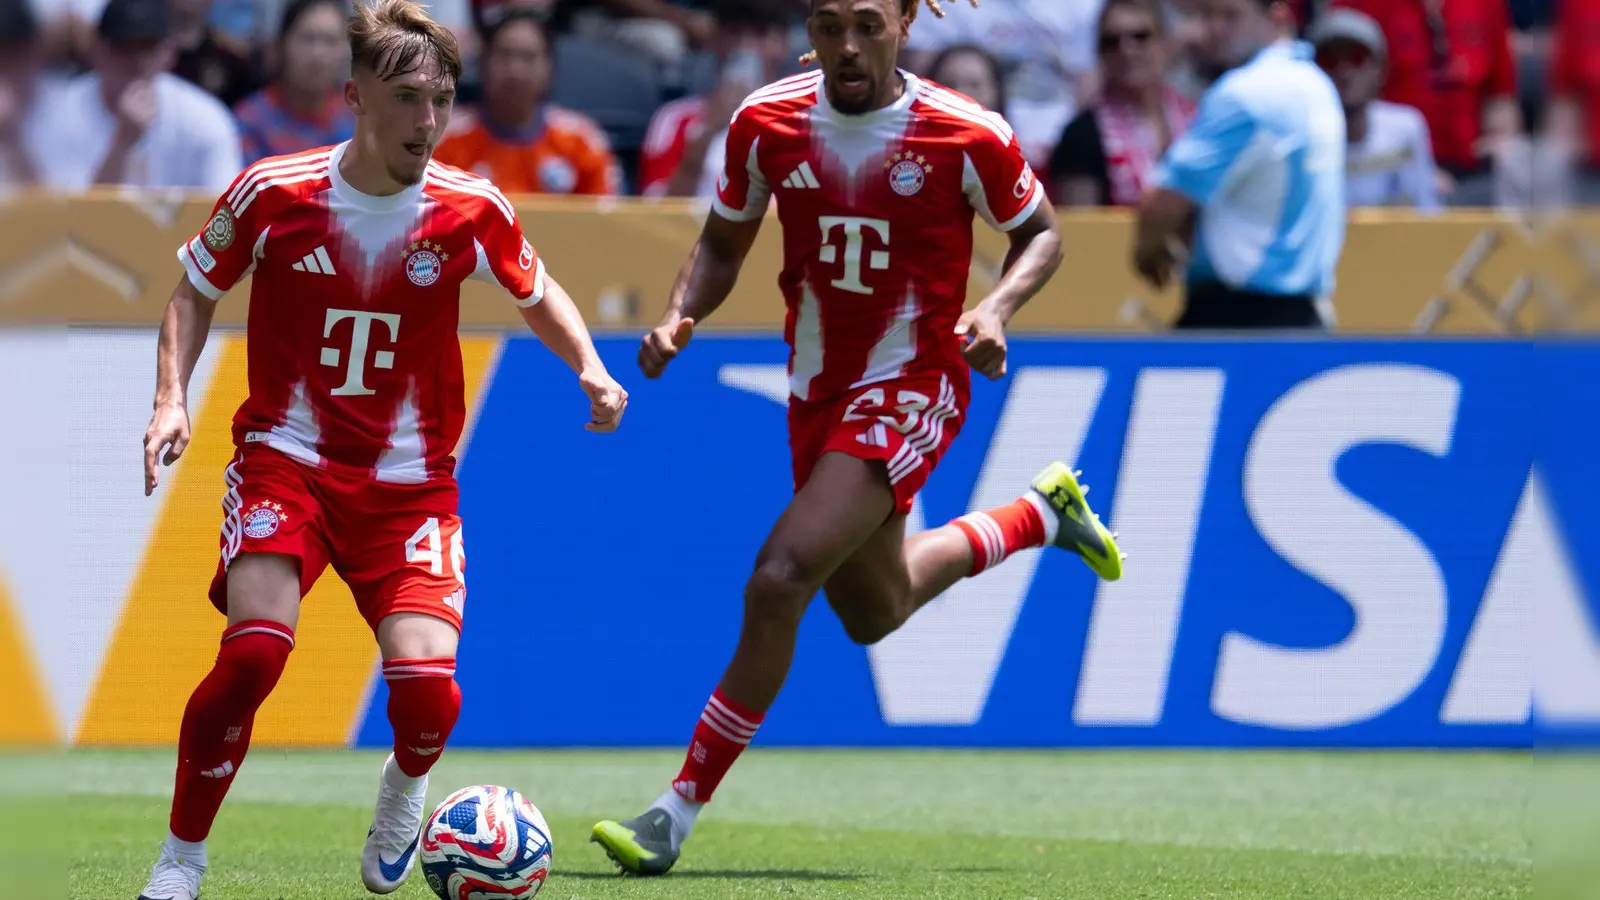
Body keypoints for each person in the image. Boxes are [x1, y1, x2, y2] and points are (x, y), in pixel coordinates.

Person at [589, 0, 1123, 877]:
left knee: (779, 577)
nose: (847, 46)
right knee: (878, 609)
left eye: (868, 25)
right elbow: (722, 243)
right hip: (818, 394)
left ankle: (672, 814)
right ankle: (1039, 515)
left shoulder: (964, 133)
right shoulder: (766, 123)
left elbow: (1041, 234)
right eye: (831, 25)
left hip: (915, 382)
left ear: (906, 22)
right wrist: (682, 313)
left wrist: (996, 307)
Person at [133, 2, 628, 899]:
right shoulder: (273, 192)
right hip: (288, 461)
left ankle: (405, 789)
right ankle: (181, 858)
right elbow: (192, 291)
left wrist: (590, 367)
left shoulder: (469, 206)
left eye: (441, 100)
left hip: (410, 488)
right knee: (253, 655)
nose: (427, 121)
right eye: (406, 99)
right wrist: (172, 397)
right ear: (356, 96)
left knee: (428, 692)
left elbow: (538, 290)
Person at [1133, 0, 1345, 330]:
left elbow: (1165, 203)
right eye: (1208, 15)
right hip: (1307, 316)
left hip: (1239, 318)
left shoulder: (1245, 93)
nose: (1215, 29)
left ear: (1277, 16)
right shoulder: (1318, 86)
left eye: (1231, 15)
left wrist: (1146, 250)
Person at [47, 0, 243, 191]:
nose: (137, 61)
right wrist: (122, 144)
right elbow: (68, 212)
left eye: (148, 47)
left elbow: (227, 208)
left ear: (169, 54)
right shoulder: (61, 112)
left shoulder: (205, 119)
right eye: (124, 47)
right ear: (97, 51)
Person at [432, 6, 621, 194]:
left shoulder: (582, 142)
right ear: (483, 62)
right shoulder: (443, 138)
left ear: (550, 66)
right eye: (504, 55)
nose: (515, 71)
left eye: (528, 57)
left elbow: (606, 210)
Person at [637, 0, 793, 198]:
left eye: (760, 34)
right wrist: (708, 132)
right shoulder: (674, 119)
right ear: (716, 41)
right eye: (734, 33)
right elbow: (655, 209)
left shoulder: (810, 119)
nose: (745, 47)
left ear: (783, 45)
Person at [1052, 0, 1196, 208]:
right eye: (1112, 41)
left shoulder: (1198, 118)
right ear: (1100, 54)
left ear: (1165, 43)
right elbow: (1079, 223)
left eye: (1140, 36)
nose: (1127, 49)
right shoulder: (1081, 135)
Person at [1311, 8, 1439, 211]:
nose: (1344, 72)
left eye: (1357, 58)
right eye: (1330, 60)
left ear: (1379, 69)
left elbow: (1426, 213)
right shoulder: (1303, 139)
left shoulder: (1406, 129)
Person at [233, 0, 357, 165]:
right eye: (307, 39)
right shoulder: (251, 121)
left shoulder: (357, 120)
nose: (318, 55)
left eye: (330, 41)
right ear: (281, 45)